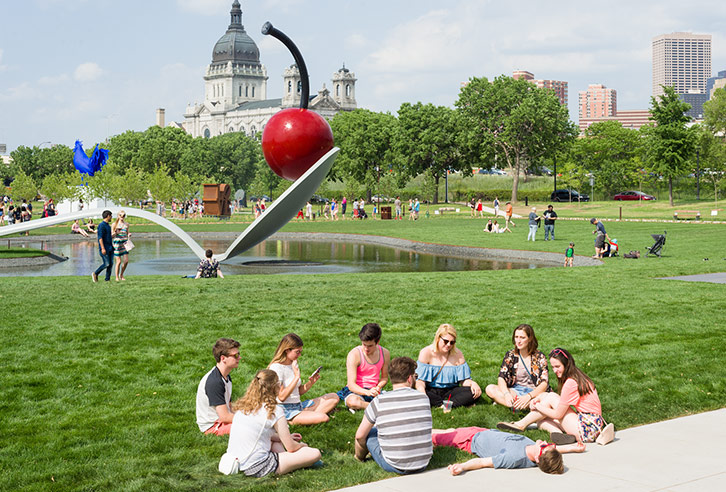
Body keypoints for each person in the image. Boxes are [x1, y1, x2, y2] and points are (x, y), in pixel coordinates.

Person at [497, 348, 615, 446]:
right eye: (553, 367)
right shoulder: (579, 376)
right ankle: (558, 433)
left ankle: (521, 424)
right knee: (541, 421)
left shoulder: (570, 383)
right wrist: (541, 401)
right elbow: (562, 404)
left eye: (557, 366)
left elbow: (558, 414)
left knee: (551, 397)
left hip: (586, 428)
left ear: (566, 364)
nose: (555, 370)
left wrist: (538, 406)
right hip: (593, 425)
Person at [218, 369, 322, 477]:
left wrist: (287, 437)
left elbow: (260, 432)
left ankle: (290, 461)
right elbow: (291, 447)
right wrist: (302, 445)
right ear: (276, 387)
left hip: (237, 462)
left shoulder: (243, 408)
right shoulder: (274, 410)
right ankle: (296, 462)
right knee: (314, 453)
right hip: (258, 466)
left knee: (276, 443)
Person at [354, 356, 433, 474]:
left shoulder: (380, 401)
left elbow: (360, 436)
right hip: (423, 463)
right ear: (410, 378)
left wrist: (359, 456)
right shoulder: (424, 398)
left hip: (395, 465)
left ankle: (358, 459)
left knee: (370, 433)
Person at [432, 426, 583, 475]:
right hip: (484, 431)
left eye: (544, 446)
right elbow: (552, 450)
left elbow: (483, 462)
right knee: (450, 430)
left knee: (436, 438)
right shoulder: (536, 451)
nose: (544, 442)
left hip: (471, 440)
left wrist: (463, 466)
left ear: (537, 459)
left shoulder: (513, 457)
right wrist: (572, 448)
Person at [268, 333, 339, 425]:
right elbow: (281, 397)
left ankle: (307, 416)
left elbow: (298, 392)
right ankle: (290, 420)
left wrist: (311, 382)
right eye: (297, 352)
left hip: (298, 405)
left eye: (300, 352)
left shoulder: (292, 364)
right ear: (287, 350)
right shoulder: (277, 368)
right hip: (285, 410)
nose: (300, 355)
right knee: (324, 417)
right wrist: (296, 376)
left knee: (334, 397)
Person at [415, 324, 482, 409]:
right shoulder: (426, 353)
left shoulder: (458, 354)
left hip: (451, 390)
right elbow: (420, 381)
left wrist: (473, 384)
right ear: (438, 338)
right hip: (431, 389)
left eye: (452, 342)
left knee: (473, 392)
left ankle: (444, 405)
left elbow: (464, 380)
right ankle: (451, 404)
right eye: (446, 341)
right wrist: (422, 393)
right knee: (416, 391)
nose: (448, 345)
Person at [484, 324, 550, 411]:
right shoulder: (511, 355)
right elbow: (502, 378)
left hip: (534, 393)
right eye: (516, 337)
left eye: (522, 338)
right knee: (490, 389)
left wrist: (528, 396)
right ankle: (520, 406)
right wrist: (506, 394)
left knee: (545, 398)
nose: (518, 341)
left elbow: (544, 383)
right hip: (516, 390)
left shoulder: (539, 357)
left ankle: (512, 404)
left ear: (530, 339)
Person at [337, 323, 391, 411]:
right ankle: (378, 407)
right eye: (364, 344)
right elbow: (351, 385)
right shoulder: (354, 354)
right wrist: (367, 392)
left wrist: (378, 387)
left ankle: (373, 405)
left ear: (377, 342)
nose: (366, 349)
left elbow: (384, 378)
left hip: (374, 390)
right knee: (352, 402)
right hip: (356, 391)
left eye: (370, 346)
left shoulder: (385, 353)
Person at [196, 338, 241, 436]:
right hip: (213, 426)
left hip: (221, 421)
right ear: (223, 358)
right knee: (253, 428)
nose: (239, 358)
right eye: (236, 355)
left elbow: (229, 406)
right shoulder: (214, 382)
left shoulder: (225, 376)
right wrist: (249, 419)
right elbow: (224, 417)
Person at [92, 210, 114, 282]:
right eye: (111, 216)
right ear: (108, 216)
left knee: (110, 264)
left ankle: (107, 279)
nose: (111, 217)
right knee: (106, 264)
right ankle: (95, 273)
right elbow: (100, 238)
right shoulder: (101, 225)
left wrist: (115, 234)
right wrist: (103, 248)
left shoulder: (108, 226)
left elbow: (108, 236)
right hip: (104, 248)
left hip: (110, 247)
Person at [111, 210, 130, 281]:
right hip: (117, 243)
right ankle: (116, 277)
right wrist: (116, 232)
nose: (122, 217)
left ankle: (121, 274)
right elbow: (112, 235)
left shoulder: (126, 224)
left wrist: (129, 234)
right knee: (118, 262)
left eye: (123, 215)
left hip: (124, 243)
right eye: (120, 215)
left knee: (126, 261)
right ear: (118, 216)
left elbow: (127, 233)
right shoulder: (114, 224)